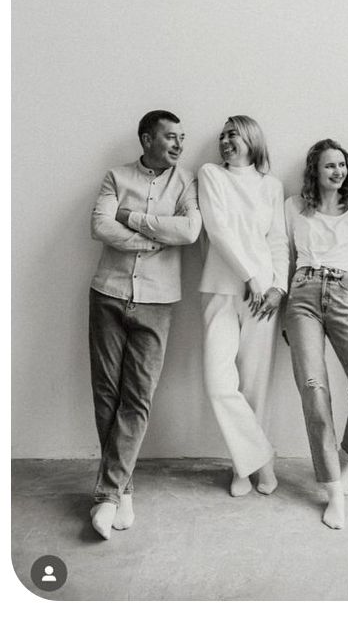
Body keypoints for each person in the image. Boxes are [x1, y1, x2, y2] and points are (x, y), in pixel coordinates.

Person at [89, 110, 201, 539]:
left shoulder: (185, 182)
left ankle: (108, 495)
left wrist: (132, 219)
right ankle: (121, 490)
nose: (178, 145)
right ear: (146, 138)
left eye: (182, 138)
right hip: (108, 294)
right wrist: (158, 237)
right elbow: (99, 225)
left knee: (138, 398)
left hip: (157, 301)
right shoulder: (115, 177)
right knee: (106, 395)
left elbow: (190, 231)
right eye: (170, 137)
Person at [285, 139, 348, 529]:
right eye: (329, 166)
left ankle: (344, 467)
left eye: (342, 165)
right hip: (303, 295)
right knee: (314, 389)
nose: (337, 171)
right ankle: (331, 491)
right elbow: (284, 256)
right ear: (315, 171)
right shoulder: (293, 207)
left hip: (345, 293)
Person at [197, 115, 288, 497]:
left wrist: (277, 287)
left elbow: (278, 241)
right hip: (222, 288)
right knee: (220, 384)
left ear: (252, 138)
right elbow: (217, 229)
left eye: (232, 134)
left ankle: (241, 467)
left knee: (255, 385)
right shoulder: (210, 174)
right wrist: (249, 276)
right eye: (222, 136)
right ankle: (261, 460)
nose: (224, 141)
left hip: (264, 295)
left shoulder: (271, 186)